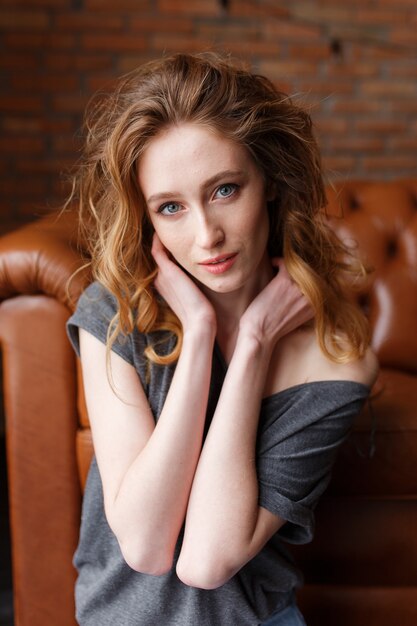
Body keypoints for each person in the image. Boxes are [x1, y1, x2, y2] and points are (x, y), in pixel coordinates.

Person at [66, 51, 378, 626]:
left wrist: (254, 340)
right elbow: (146, 542)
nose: (207, 235)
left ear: (270, 183)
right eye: (171, 207)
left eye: (226, 190)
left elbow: (206, 560)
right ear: (148, 221)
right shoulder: (113, 315)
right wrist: (203, 331)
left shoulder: (336, 361)